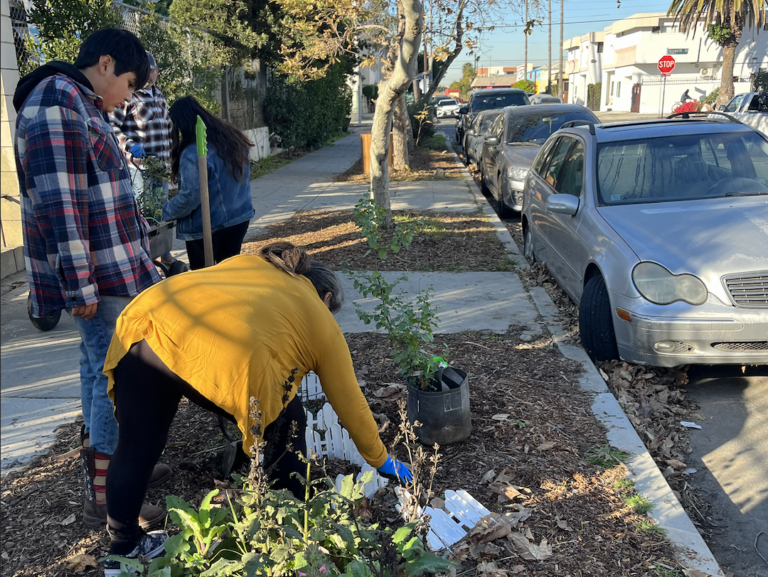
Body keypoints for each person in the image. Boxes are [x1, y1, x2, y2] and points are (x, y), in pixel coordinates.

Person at [101, 243, 412, 567]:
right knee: (290, 421)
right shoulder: (319, 317)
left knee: (137, 446)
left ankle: (122, 552)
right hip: (203, 346)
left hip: (144, 319)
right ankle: (291, 538)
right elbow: (351, 403)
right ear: (327, 298)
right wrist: (380, 459)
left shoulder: (256, 265)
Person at [13, 28, 171, 530]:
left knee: (99, 372)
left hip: (114, 271)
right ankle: (111, 494)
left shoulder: (79, 102)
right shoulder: (57, 103)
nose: (128, 97)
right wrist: (79, 284)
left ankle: (114, 471)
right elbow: (61, 204)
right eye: (129, 83)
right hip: (101, 280)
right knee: (114, 381)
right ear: (105, 64)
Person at [162, 96, 255, 270]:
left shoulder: (193, 154)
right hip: (239, 218)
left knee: (205, 276)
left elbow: (190, 197)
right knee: (228, 271)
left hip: (209, 226)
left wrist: (165, 212)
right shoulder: (233, 140)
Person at [110, 52, 176, 267]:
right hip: (140, 167)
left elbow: (168, 128)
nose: (149, 75)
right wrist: (129, 145)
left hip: (160, 166)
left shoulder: (159, 96)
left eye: (151, 70)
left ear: (157, 72)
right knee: (143, 212)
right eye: (144, 71)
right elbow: (111, 126)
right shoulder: (130, 97)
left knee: (160, 210)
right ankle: (145, 257)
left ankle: (164, 253)